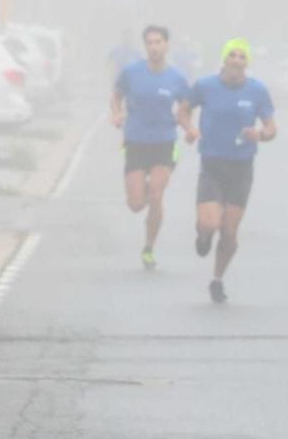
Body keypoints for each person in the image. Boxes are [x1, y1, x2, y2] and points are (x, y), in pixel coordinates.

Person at [178, 37, 276, 303]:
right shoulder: (205, 86)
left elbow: (271, 127)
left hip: (241, 168)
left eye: (242, 56)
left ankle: (217, 279)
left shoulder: (257, 91)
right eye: (232, 55)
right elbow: (183, 111)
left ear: (247, 62)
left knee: (230, 232)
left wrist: (260, 134)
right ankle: (203, 236)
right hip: (212, 164)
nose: (236, 60)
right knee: (210, 223)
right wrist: (190, 129)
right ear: (224, 59)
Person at [108, 24, 190, 269]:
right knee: (136, 204)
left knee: (155, 195)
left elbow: (186, 106)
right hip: (135, 141)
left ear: (166, 45)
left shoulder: (176, 78)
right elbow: (116, 94)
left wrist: (189, 127)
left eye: (158, 42)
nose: (154, 47)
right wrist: (116, 113)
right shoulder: (131, 72)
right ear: (145, 46)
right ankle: (143, 187)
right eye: (150, 43)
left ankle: (148, 248)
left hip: (164, 142)